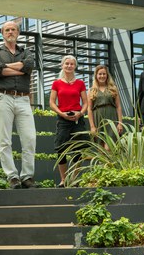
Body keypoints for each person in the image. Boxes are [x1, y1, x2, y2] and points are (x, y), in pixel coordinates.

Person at [0, 21, 37, 189]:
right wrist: (20, 69)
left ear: (18, 33)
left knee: (30, 138)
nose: (10, 32)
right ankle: (12, 176)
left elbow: (30, 66)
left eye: (13, 29)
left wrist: (6, 69)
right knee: (5, 140)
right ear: (2, 33)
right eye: (7, 30)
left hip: (24, 99)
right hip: (3, 97)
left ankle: (27, 176)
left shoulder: (26, 52)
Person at [49, 55, 88, 187]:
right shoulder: (56, 83)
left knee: (78, 150)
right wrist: (62, 114)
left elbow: (86, 102)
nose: (69, 66)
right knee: (61, 149)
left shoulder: (80, 83)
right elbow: (52, 102)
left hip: (78, 119)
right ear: (62, 65)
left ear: (75, 66)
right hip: (63, 119)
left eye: (72, 64)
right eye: (67, 64)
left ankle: (74, 179)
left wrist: (80, 113)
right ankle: (64, 180)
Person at [87, 65, 123, 150]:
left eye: (104, 74)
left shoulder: (113, 89)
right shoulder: (91, 90)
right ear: (96, 76)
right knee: (100, 149)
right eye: (100, 74)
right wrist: (92, 126)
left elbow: (118, 106)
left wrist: (120, 123)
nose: (102, 76)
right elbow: (89, 109)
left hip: (111, 119)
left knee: (109, 147)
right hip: (98, 119)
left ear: (107, 75)